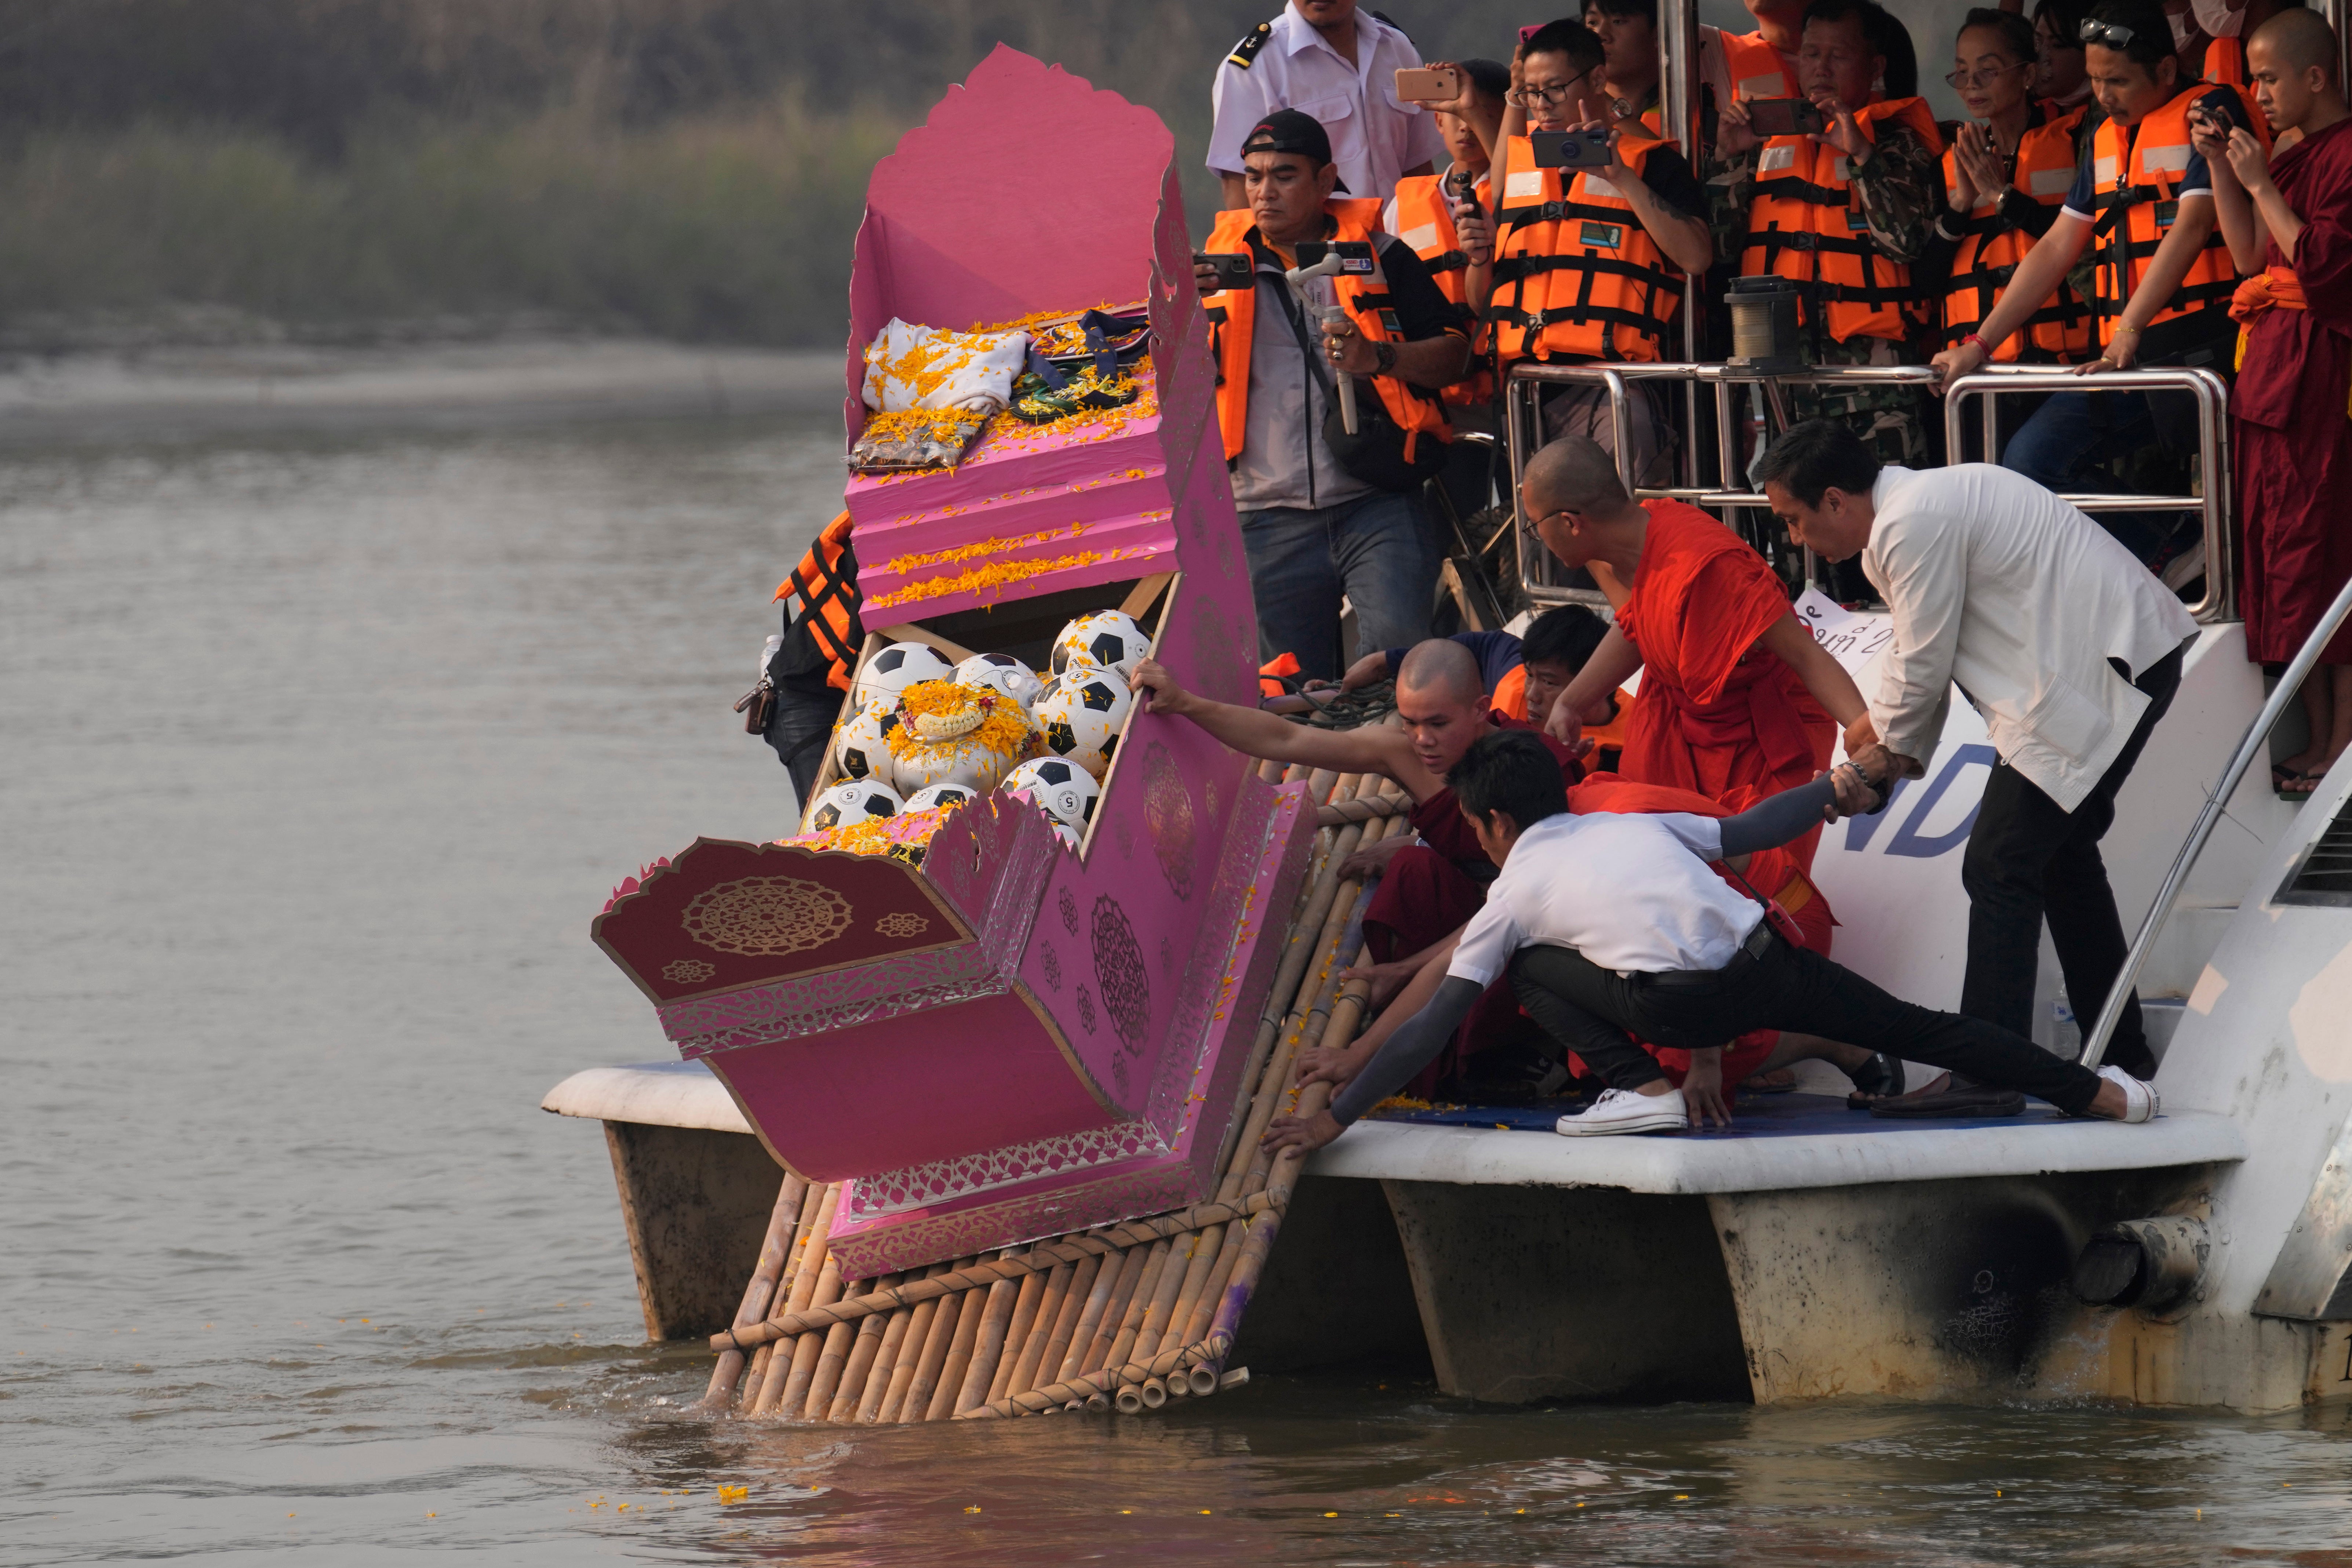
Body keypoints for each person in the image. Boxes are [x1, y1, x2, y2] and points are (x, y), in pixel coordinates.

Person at [1263, 731, 2157, 1150]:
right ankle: (2104, 1099)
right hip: (1765, 966)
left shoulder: (1514, 890)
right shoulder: (1633, 821)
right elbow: (1753, 827)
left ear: (1495, 821)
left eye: (1473, 824)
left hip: (1679, 1007)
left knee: (1531, 968)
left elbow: (1431, 1023)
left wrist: (1332, 1121)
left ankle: (1639, 1090)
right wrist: (1835, 788)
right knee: (1926, 1028)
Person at [1758, 419, 2195, 1112]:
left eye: (1796, 521)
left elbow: (1924, 663)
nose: (1796, 540)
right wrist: (1887, 756)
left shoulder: (1912, 521)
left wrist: (1878, 766)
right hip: (2107, 664)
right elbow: (1918, 660)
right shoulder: (1908, 520)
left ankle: (1989, 1072)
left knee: (1998, 862)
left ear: (1836, 500)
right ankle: (2121, 1050)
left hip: (2107, 669)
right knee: (2060, 859)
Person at [1130, 637, 1582, 1094]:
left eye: (1438, 724)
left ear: (1481, 709)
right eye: (1410, 723)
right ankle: (1428, 1053)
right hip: (1477, 907)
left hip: (1533, 916)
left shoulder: (1526, 768)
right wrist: (1186, 703)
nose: (1423, 740)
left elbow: (1519, 903)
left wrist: (1405, 973)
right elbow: (1285, 738)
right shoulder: (1400, 750)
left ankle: (1515, 1049)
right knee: (1411, 869)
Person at [1930, 0, 2267, 565]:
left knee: (2231, 494)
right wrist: (1978, 344)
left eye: (2116, 81)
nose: (2103, 95)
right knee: (2030, 459)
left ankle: (2192, 555)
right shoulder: (2106, 136)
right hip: (2130, 357)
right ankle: (2176, 545)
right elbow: (2059, 245)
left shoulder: (2211, 107)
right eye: (2093, 80)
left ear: (2164, 71)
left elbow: (2192, 225)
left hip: (2200, 347)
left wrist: (2129, 328)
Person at [1197, 109, 1473, 683]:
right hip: (1261, 513)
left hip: (1377, 502)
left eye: (1284, 176)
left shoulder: (1382, 254)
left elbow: (1456, 354)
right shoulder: (1210, 273)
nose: (1263, 193)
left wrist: (1379, 358)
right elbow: (1168, 386)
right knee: (1291, 691)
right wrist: (1175, 316)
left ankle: (1404, 770)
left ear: (1326, 182)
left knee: (1401, 667)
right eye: (1253, 177)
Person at [1526, 436, 1870, 870]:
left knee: (1761, 884)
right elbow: (1641, 624)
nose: (1535, 539)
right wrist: (1572, 700)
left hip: (1758, 739)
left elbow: (1804, 655)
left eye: (1533, 525)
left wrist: (1868, 741)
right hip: (1674, 731)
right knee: (1653, 864)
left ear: (1571, 523)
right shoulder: (1610, 552)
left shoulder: (1705, 562)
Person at [1448, 21, 1711, 484]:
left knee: (1623, 532)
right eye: (1529, 93)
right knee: (1543, 546)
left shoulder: (1653, 163)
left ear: (1594, 81)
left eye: (1553, 89)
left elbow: (1696, 258)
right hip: (1526, 392)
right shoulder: (1518, 174)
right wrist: (1479, 258)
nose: (1540, 106)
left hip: (1613, 391)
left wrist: (1620, 178)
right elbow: (1480, 302)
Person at [2199, 8, 2352, 792]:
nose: (2258, 92)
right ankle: (2321, 739)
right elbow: (2246, 255)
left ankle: (2341, 746)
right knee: (2294, 562)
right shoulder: (2289, 157)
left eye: (2267, 77)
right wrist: (2230, 172)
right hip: (2274, 374)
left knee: (2329, 553)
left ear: (2315, 76)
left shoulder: (2346, 153)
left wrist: (2260, 179)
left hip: (2323, 377)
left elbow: (2325, 269)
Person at [1713, 0, 1946, 469]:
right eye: (1809, 53)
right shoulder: (1766, 143)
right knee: (1797, 525)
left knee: (1882, 520)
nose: (1819, 68)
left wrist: (1862, 155)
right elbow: (1718, 249)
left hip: (1875, 384)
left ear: (1874, 66)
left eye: (1837, 56)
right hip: (1786, 380)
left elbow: (1906, 241)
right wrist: (1729, 160)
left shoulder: (1898, 143)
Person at [1926, 8, 2096, 382]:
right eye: (1962, 71)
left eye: (1987, 70)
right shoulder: (1949, 161)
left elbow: (2087, 245)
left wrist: (2002, 196)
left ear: (2027, 75)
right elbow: (1925, 284)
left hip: (2071, 361)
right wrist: (1959, 207)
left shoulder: (2075, 141)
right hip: (1978, 373)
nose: (1971, 84)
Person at [1209, 0, 1444, 209]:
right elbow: (1240, 185)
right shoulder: (1257, 66)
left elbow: (1418, 169)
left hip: (1400, 249)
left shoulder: (1397, 48)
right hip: (1315, 254)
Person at [1341, 604, 1636, 755]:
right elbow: (1484, 644)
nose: (1531, 694)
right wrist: (1389, 660)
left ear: (1597, 683)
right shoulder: (1513, 674)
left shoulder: (1627, 746)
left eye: (1549, 683)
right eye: (1530, 675)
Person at [761, 510, 862, 806]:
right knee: (831, 819)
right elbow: (867, 642)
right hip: (804, 699)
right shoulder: (874, 550)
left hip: (852, 692)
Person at [2035, 0, 2099, 111]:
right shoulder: (2030, 111)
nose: (2041, 55)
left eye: (2058, 45)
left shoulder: (2107, 120)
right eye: (2037, 41)